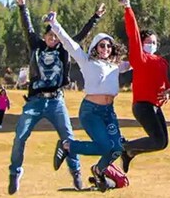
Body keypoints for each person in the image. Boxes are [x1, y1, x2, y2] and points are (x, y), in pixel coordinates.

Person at [8, 0, 105, 194]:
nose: (53, 38)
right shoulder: (36, 45)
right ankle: (15, 172)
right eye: (49, 35)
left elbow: (81, 36)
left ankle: (75, 171)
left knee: (68, 137)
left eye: (55, 35)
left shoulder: (64, 49)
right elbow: (27, 27)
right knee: (20, 137)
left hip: (56, 102)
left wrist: (95, 17)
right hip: (35, 101)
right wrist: (23, 6)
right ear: (44, 36)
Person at [49, 10, 132, 191]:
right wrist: (54, 24)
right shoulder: (86, 61)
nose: (105, 49)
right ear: (95, 46)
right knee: (104, 147)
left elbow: (137, 61)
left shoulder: (115, 66)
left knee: (117, 148)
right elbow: (69, 43)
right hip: (91, 111)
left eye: (109, 46)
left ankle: (98, 170)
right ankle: (67, 146)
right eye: (102, 45)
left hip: (108, 112)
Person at [119, 0, 170, 172]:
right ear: (142, 44)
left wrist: (169, 92)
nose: (152, 45)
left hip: (156, 107)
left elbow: (167, 85)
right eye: (149, 42)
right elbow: (133, 33)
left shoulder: (162, 62)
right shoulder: (139, 58)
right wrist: (128, 8)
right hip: (143, 106)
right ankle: (124, 147)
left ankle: (130, 152)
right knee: (157, 141)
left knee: (163, 143)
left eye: (155, 42)